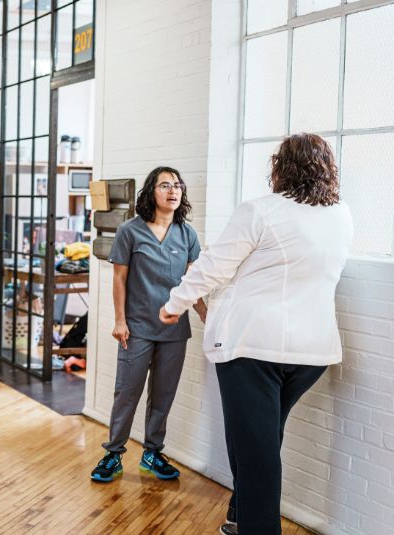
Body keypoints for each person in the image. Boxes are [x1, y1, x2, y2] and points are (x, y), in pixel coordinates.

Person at [160, 134, 353, 535]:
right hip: (311, 354)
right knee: (260, 440)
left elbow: (214, 265)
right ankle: (238, 517)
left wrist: (174, 304)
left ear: (280, 167)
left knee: (256, 449)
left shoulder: (261, 211)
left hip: (254, 348)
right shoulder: (340, 215)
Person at [90, 166, 207, 483]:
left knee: (163, 394)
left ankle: (152, 453)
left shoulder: (187, 234)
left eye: (178, 185)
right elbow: (119, 278)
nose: (173, 190)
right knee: (127, 392)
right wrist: (119, 320)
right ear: (150, 192)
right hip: (137, 327)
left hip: (174, 331)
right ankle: (113, 454)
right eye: (165, 185)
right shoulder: (131, 230)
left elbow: (193, 282)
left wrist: (206, 315)